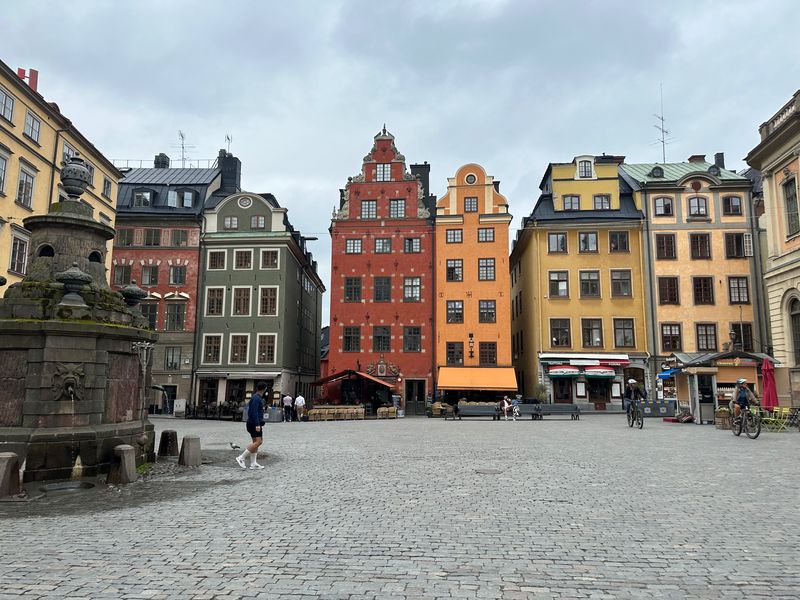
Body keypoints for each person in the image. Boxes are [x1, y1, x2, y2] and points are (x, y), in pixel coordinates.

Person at [236, 382, 266, 470]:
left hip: (252, 423)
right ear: (264, 389)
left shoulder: (255, 397)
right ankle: (241, 457)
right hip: (254, 423)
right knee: (259, 442)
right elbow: (254, 412)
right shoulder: (257, 398)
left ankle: (253, 463)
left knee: (255, 442)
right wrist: (257, 424)